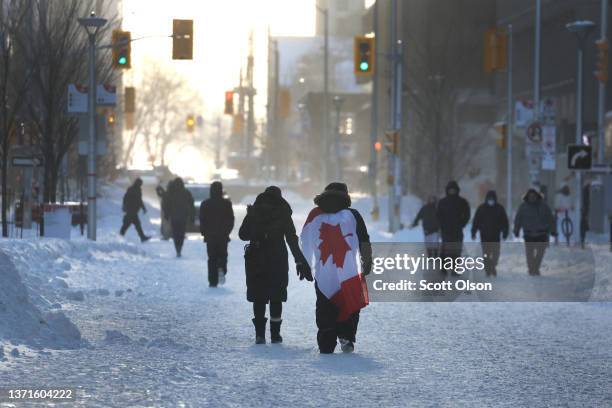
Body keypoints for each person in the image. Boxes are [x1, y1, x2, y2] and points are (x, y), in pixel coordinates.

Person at [300, 183, 371, 354]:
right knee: (351, 303)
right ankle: (346, 335)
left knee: (325, 305)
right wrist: (367, 262)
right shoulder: (353, 215)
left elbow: (305, 240)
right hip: (349, 271)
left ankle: (326, 340)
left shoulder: (315, 214)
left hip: (324, 272)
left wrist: (304, 263)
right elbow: (364, 240)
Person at [239, 186, 311, 344]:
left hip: (256, 257)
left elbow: (242, 235)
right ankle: (275, 335)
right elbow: (291, 238)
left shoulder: (254, 210)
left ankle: (259, 335)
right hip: (277, 257)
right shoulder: (283, 211)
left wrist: (258, 233)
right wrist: (299, 260)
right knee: (276, 294)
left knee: (258, 295)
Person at [513, 188, 557, 276]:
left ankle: (535, 268)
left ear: (537, 196)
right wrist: (516, 230)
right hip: (528, 233)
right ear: (527, 197)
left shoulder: (544, 206)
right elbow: (518, 219)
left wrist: (553, 230)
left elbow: (550, 219)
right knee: (529, 253)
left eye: (534, 196)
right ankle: (531, 269)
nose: (532, 198)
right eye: (530, 196)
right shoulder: (523, 206)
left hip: (542, 233)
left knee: (540, 253)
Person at [199, 181, 234, 287]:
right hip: (223, 236)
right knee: (223, 255)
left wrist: (204, 233)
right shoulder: (227, 204)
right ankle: (222, 268)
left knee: (212, 258)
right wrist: (227, 231)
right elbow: (231, 219)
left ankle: (212, 280)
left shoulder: (205, 204)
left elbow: (202, 220)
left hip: (210, 236)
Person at [471, 190, 509, 276]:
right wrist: (473, 231)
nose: (491, 200)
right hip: (484, 235)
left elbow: (504, 222)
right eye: (489, 198)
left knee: (495, 253)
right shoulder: (481, 208)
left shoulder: (499, 208)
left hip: (495, 235)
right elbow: (476, 221)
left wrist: (505, 232)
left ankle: (492, 266)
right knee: (486, 253)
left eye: (492, 199)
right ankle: (488, 268)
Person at [436, 181, 470, 274]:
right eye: (450, 190)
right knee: (445, 249)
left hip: (457, 230)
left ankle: (455, 268)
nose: (452, 192)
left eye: (453, 190)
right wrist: (441, 225)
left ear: (457, 190)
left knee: (456, 250)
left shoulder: (462, 202)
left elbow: (467, 214)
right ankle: (444, 267)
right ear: (447, 190)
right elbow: (438, 215)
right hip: (445, 230)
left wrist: (462, 224)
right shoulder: (442, 202)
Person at [163, 177, 195, 258]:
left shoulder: (171, 193)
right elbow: (191, 205)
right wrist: (192, 216)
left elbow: (166, 204)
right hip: (183, 217)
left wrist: (166, 214)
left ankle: (177, 249)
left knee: (175, 233)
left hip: (174, 217)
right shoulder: (186, 193)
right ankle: (179, 248)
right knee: (181, 233)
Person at [120, 178, 151, 242]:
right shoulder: (132, 189)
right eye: (140, 183)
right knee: (127, 224)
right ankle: (120, 236)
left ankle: (142, 237)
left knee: (137, 224)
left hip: (134, 210)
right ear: (138, 183)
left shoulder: (136, 189)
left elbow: (139, 200)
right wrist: (125, 206)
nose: (141, 185)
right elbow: (126, 198)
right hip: (131, 210)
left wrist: (143, 208)